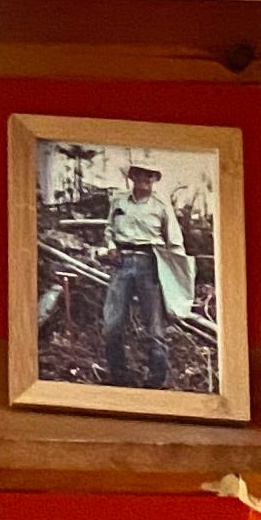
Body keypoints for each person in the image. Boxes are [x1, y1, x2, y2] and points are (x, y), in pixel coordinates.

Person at [99, 156, 194, 388]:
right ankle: (119, 376)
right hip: (121, 263)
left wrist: (173, 272)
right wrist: (111, 248)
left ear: (154, 179)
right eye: (140, 173)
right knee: (112, 323)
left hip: (150, 264)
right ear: (133, 177)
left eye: (150, 175)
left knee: (154, 325)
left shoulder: (161, 206)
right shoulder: (119, 201)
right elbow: (109, 229)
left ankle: (156, 380)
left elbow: (175, 242)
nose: (145, 179)